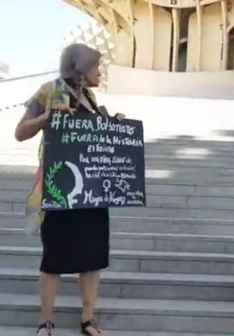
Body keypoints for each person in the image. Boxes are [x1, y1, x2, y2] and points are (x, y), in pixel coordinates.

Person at [14, 44, 125, 336]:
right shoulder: (49, 90)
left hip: (93, 191)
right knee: (54, 259)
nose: (99, 72)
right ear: (79, 66)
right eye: (95, 67)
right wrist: (45, 118)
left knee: (92, 259)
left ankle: (88, 320)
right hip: (58, 189)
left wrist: (114, 125)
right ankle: (45, 322)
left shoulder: (89, 98)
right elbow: (20, 131)